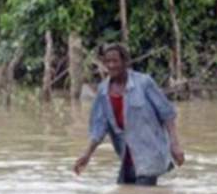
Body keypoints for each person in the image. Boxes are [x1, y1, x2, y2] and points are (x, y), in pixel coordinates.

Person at [74, 44, 185, 186]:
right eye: (108, 62)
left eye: (115, 61)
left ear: (124, 62)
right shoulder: (103, 91)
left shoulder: (143, 83)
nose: (111, 65)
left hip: (150, 152)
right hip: (127, 155)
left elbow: (167, 114)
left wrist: (175, 145)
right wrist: (87, 155)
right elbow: (99, 128)